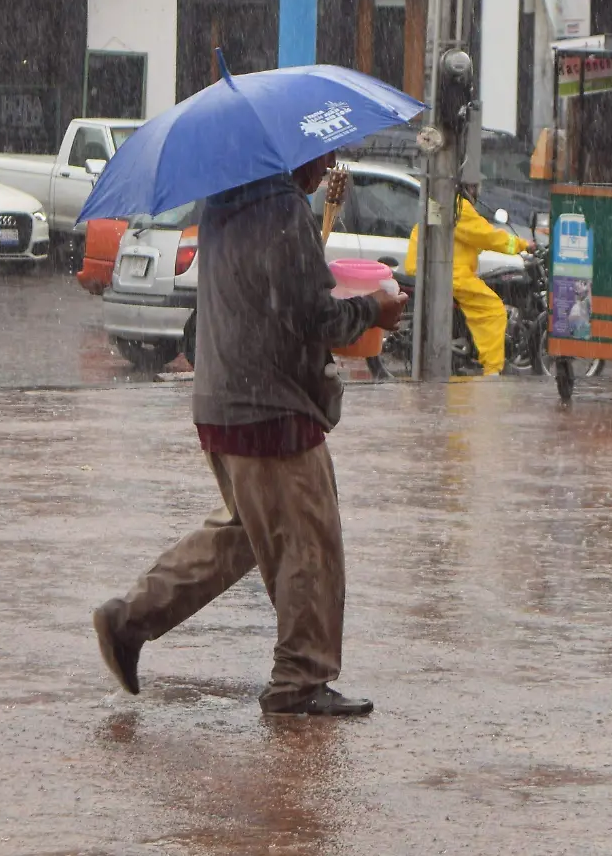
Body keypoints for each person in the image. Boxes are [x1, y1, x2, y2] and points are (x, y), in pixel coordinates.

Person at [91, 150, 407, 717]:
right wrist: (374, 310)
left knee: (241, 535)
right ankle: (300, 680)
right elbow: (315, 317)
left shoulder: (225, 200)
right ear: (294, 153)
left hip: (223, 398)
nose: (327, 167)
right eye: (321, 155)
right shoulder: (280, 209)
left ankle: (129, 619)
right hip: (271, 407)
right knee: (309, 543)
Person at [404, 183, 528, 375]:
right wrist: (522, 245)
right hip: (450, 272)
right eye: (476, 187)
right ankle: (492, 370)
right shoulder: (458, 207)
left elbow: (472, 238)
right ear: (468, 188)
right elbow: (486, 236)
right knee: (493, 310)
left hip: (426, 267)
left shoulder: (440, 202)